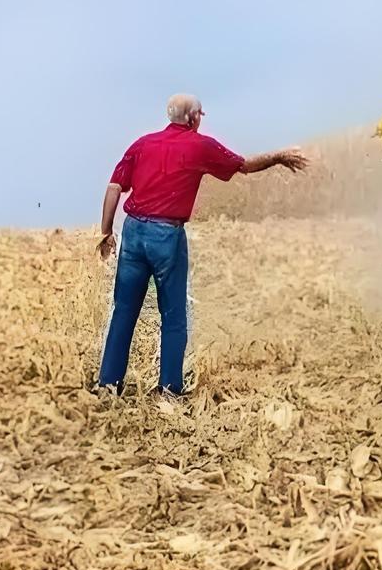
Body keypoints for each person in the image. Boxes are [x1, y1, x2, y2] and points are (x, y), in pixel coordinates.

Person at [96, 94, 308, 396]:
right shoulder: (200, 145)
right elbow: (244, 166)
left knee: (124, 310)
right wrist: (278, 157)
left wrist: (106, 233)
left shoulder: (142, 144)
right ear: (194, 117)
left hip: (133, 233)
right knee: (172, 314)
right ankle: (169, 389)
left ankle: (108, 385)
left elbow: (114, 186)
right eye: (201, 116)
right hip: (166, 236)